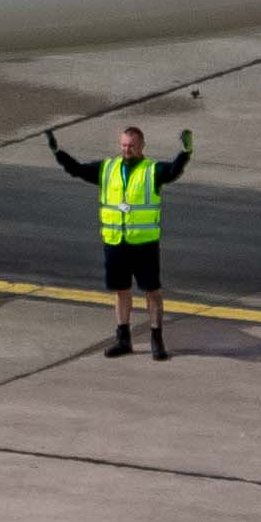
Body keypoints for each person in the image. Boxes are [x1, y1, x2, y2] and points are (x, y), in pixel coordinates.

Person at [50, 120, 189, 359]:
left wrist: (185, 153)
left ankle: (157, 339)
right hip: (116, 242)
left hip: (143, 244)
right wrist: (58, 153)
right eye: (124, 145)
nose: (127, 150)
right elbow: (78, 170)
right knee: (121, 291)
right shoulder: (107, 169)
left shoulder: (151, 170)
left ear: (142, 146)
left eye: (132, 145)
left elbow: (173, 171)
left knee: (152, 291)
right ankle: (123, 339)